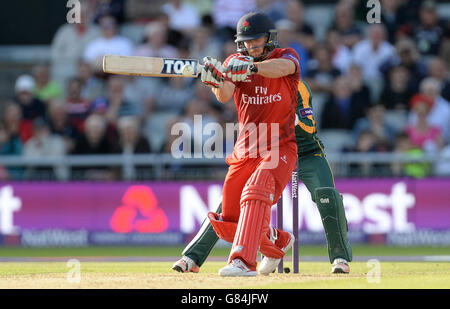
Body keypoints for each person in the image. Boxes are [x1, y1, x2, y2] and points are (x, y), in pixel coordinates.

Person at [172, 12, 352, 276]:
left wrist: (252, 68)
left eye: (257, 40)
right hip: (249, 147)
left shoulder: (288, 61)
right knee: (229, 213)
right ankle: (272, 241)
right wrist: (214, 80)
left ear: (269, 38)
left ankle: (337, 259)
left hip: (297, 147)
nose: (251, 46)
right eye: (246, 42)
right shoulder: (234, 60)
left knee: (319, 195)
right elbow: (223, 96)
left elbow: (287, 79)